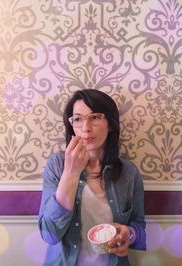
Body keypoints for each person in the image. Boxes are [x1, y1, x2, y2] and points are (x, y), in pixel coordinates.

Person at [38, 89, 146, 266]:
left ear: (110, 124)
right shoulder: (57, 166)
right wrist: (71, 173)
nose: (86, 128)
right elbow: (50, 234)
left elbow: (139, 226)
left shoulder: (129, 172)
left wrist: (130, 235)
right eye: (78, 119)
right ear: (71, 125)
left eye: (95, 117)